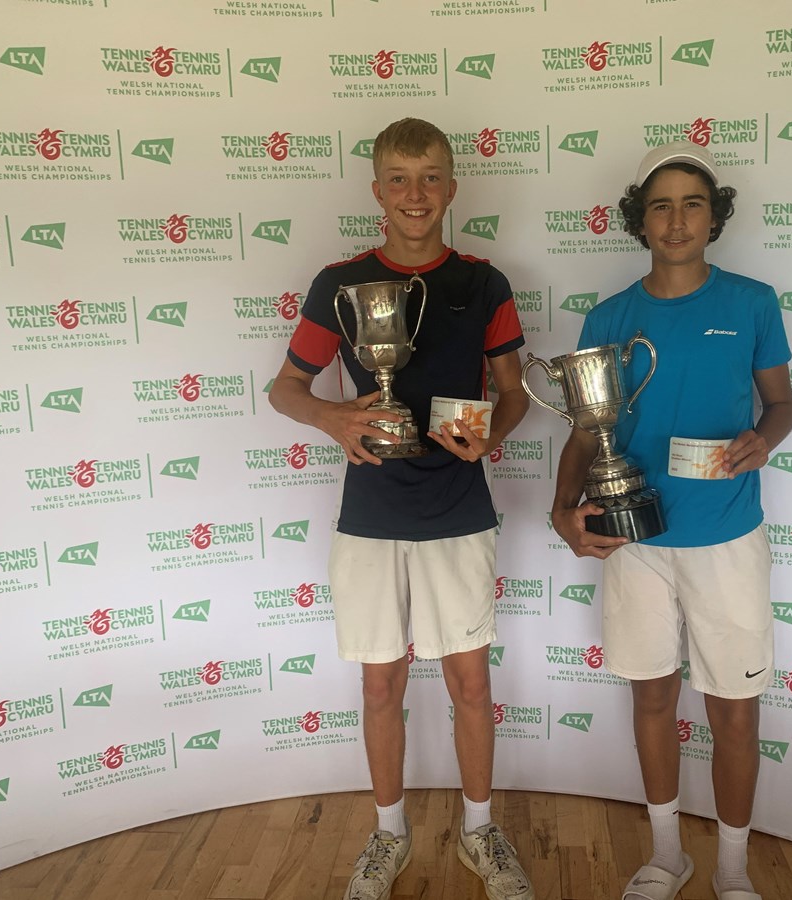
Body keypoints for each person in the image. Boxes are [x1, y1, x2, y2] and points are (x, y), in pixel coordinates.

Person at [269, 117, 534, 900]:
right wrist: (336, 417)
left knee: (471, 685)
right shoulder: (337, 282)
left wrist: (490, 439)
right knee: (381, 687)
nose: (415, 194)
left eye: (429, 178)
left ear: (452, 188)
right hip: (371, 515)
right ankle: (389, 837)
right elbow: (286, 388)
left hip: (459, 508)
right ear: (376, 190)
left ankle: (479, 830)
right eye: (399, 178)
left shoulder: (486, 283)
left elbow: (514, 395)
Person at [549, 141, 792, 900]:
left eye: (693, 202)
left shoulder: (753, 302)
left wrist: (764, 438)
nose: (677, 218)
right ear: (640, 220)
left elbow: (781, 404)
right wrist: (563, 511)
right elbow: (589, 430)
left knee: (733, 713)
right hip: (636, 540)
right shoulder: (611, 315)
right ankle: (667, 856)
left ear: (714, 217)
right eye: (660, 204)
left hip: (727, 536)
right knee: (652, 697)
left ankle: (730, 869)